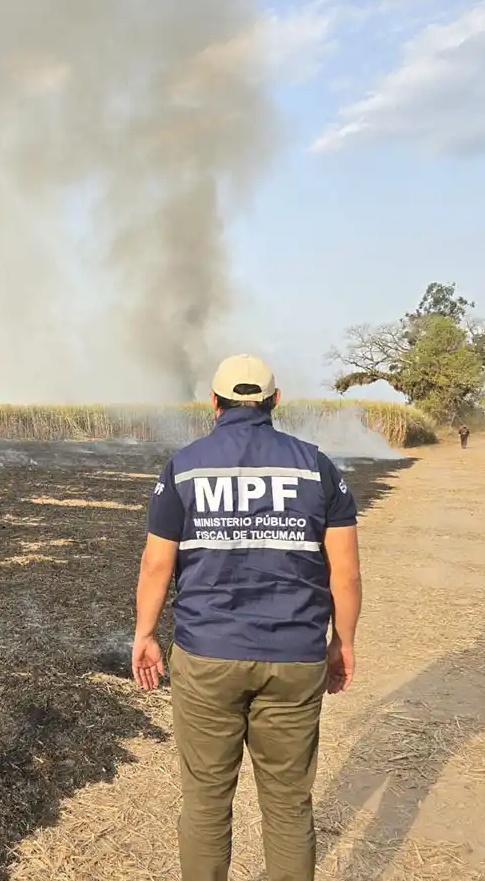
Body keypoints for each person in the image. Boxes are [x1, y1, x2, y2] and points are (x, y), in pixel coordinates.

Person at [131, 354, 363, 881]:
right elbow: (344, 573)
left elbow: (155, 563)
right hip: (295, 659)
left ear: (213, 404)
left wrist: (144, 634)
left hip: (207, 656)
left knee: (207, 802)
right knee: (287, 805)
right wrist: (341, 642)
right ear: (275, 401)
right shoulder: (316, 466)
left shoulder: (185, 466)